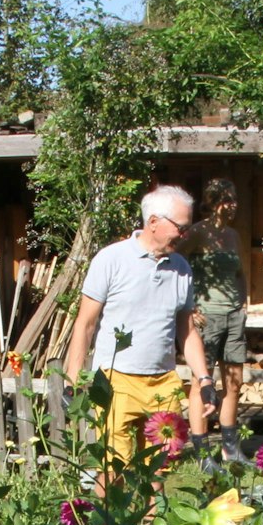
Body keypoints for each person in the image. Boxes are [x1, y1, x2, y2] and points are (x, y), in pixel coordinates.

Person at [65, 185, 213, 490]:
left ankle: (151, 521)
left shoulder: (181, 268)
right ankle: (109, 523)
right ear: (154, 221)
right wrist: (73, 380)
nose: (185, 234)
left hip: (163, 382)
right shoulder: (111, 259)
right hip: (115, 380)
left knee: (158, 470)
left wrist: (205, 379)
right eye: (181, 227)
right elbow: (85, 324)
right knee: (113, 470)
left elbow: (186, 330)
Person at [183, 177, 248, 461]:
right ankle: (202, 453)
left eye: (235, 199)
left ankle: (230, 449)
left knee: (234, 382)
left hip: (233, 317)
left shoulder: (233, 236)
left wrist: (243, 304)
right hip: (206, 318)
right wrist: (189, 307)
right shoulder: (197, 233)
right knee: (202, 383)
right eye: (226, 200)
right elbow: (177, 267)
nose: (232, 205)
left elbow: (240, 273)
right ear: (212, 203)